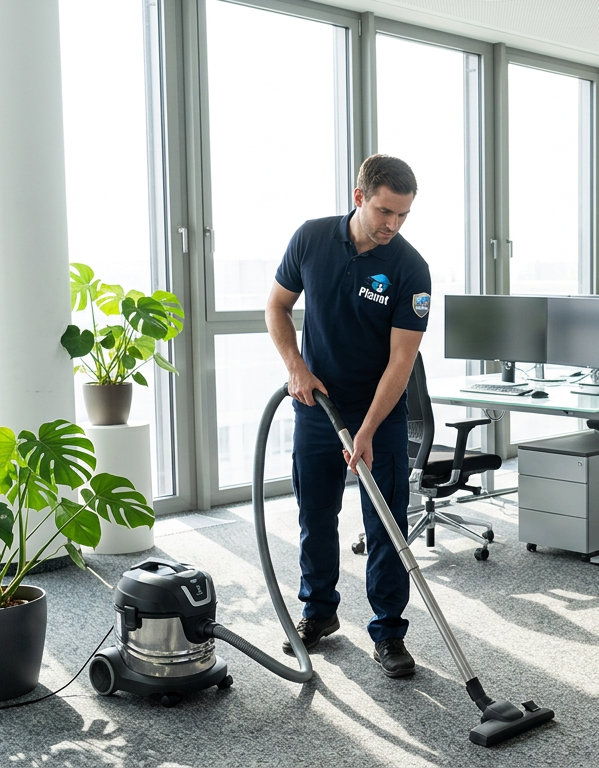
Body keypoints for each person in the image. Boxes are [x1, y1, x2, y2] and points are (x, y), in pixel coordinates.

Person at [266, 154, 432, 679]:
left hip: (378, 412)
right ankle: (319, 611)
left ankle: (388, 632)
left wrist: (365, 431)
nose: (393, 225)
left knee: (385, 524)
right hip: (317, 404)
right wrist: (296, 367)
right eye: (386, 212)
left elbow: (402, 361)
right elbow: (276, 306)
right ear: (359, 197)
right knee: (315, 514)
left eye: (403, 216)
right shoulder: (311, 240)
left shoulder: (410, 268)